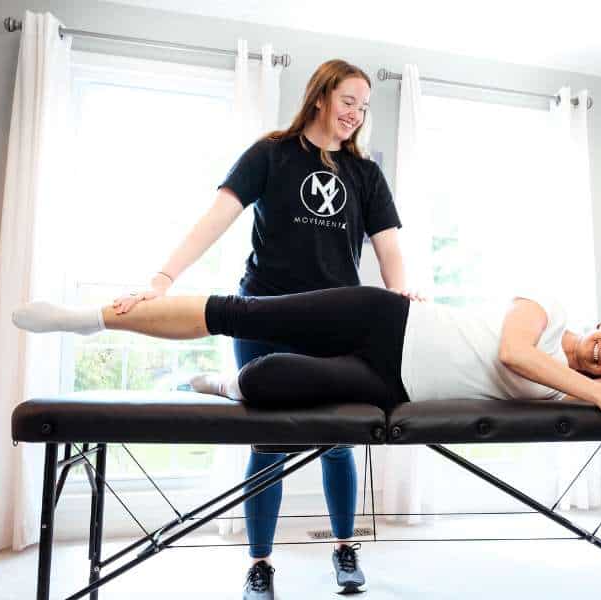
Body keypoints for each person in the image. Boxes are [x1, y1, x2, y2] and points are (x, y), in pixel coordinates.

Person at [105, 59, 413, 598]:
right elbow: (216, 218)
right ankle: (260, 564)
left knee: (337, 440)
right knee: (268, 442)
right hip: (263, 314)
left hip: (335, 321)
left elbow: (389, 249)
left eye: (364, 107)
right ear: (320, 96)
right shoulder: (271, 154)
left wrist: (403, 300)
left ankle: (345, 548)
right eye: (348, 101)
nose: (356, 115)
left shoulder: (364, 174)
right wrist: (162, 280)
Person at [13, 285, 601, 448]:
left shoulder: (573, 389)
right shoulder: (548, 310)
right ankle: (89, 317)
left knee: (267, 382)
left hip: (392, 383)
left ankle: (218, 381)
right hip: (384, 320)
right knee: (243, 313)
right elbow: (512, 354)